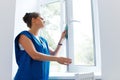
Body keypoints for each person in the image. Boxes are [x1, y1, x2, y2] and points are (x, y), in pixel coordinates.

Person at [14, 12, 72, 80]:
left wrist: (62, 39)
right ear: (33, 20)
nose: (44, 21)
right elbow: (35, 55)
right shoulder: (24, 36)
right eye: (41, 18)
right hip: (25, 77)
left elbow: (53, 54)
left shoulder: (43, 41)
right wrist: (57, 59)